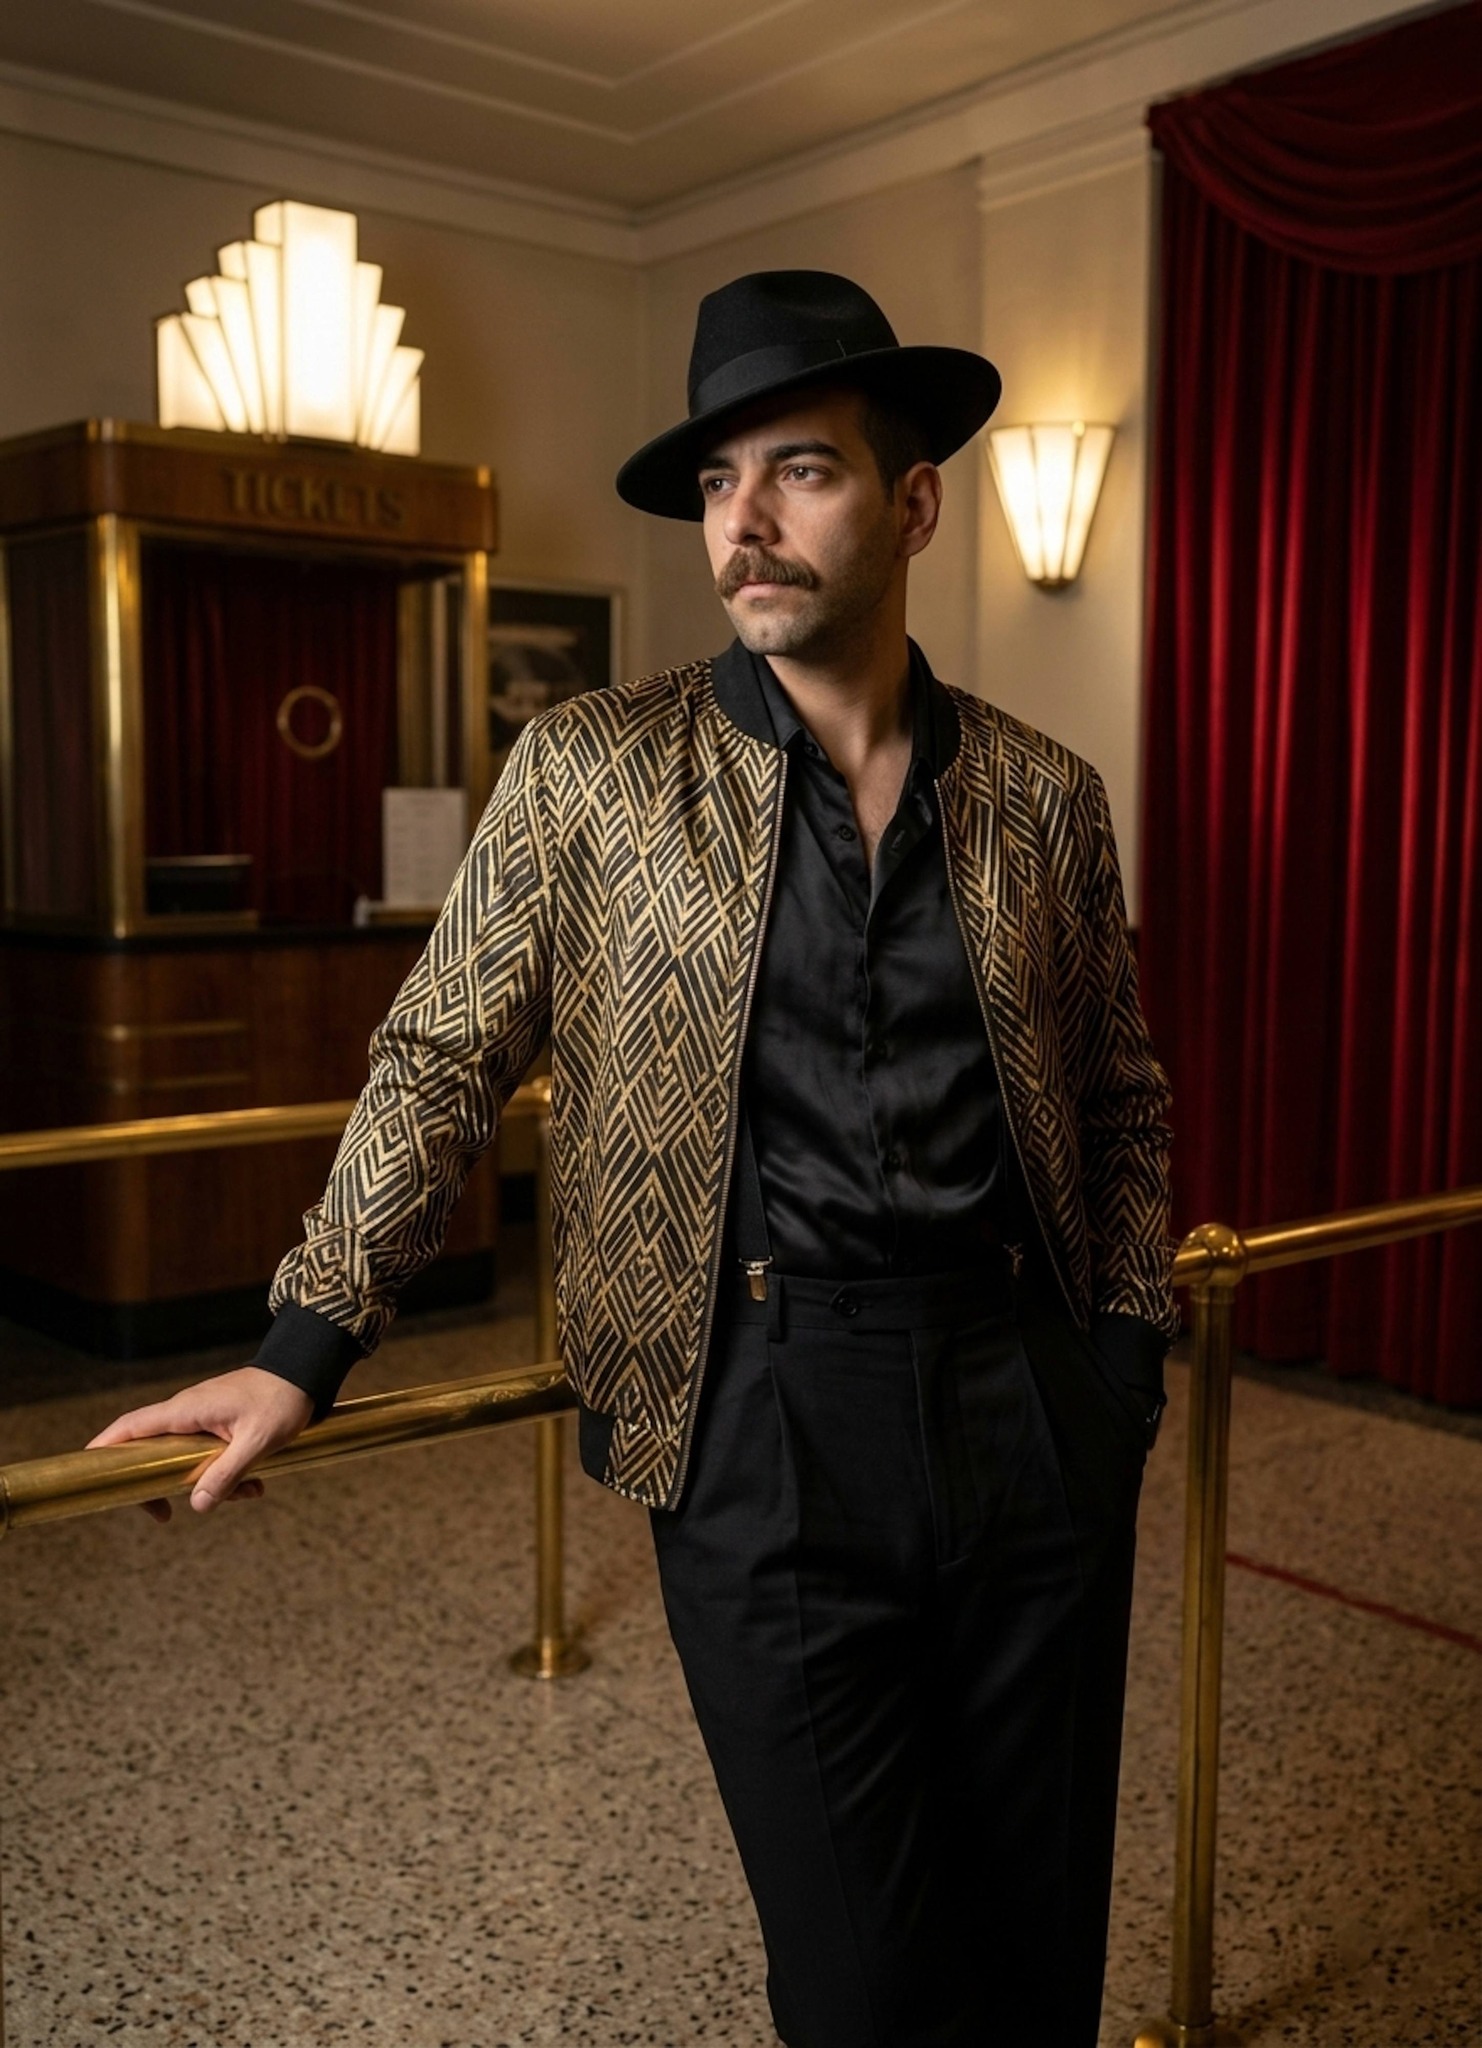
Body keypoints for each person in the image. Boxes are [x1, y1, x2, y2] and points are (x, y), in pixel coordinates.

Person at [92, 270, 1177, 2047]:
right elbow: (443, 1057)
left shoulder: (1041, 794)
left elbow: (1120, 1098)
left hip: (1024, 1404)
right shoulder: (591, 769)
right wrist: (307, 1341)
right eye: (715, 482)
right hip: (755, 1415)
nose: (742, 524)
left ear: (912, 503)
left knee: (1035, 1946)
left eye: (799, 471)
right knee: (861, 1984)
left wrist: (1116, 1361)